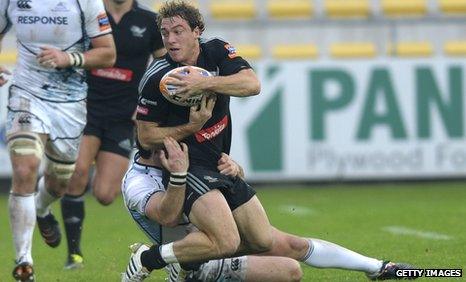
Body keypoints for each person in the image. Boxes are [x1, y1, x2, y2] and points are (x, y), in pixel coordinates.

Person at [123, 1, 416, 281]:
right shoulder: (158, 77)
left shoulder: (216, 51)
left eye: (178, 31)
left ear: (197, 30)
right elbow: (146, 138)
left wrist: (204, 83)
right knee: (228, 240)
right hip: (188, 169)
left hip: (217, 164)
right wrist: (192, 125)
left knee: (263, 240)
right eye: (165, 33)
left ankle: (377, 267)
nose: (171, 39)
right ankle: (152, 259)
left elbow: (252, 84)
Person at [38, 0, 165, 270]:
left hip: (124, 116)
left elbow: (164, 64)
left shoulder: (148, 20)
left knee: (106, 194)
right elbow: (68, 53)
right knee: (76, 175)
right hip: (86, 109)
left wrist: (148, 105)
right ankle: (74, 256)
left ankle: (52, 182)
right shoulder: (87, 14)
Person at [0, 0, 116, 280]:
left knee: (59, 183)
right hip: (26, 93)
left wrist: (70, 59)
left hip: (70, 103)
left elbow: (108, 54)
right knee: (25, 167)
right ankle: (24, 262)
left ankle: (41, 207)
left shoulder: (86, 2)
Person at [122, 137, 303, 282]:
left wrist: (234, 169)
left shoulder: (190, 156)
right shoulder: (137, 183)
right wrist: (178, 175)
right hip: (196, 252)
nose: (181, 143)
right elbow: (168, 217)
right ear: (158, 148)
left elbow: (224, 189)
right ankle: (161, 260)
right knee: (287, 263)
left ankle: (180, 264)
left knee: (290, 263)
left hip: (220, 238)